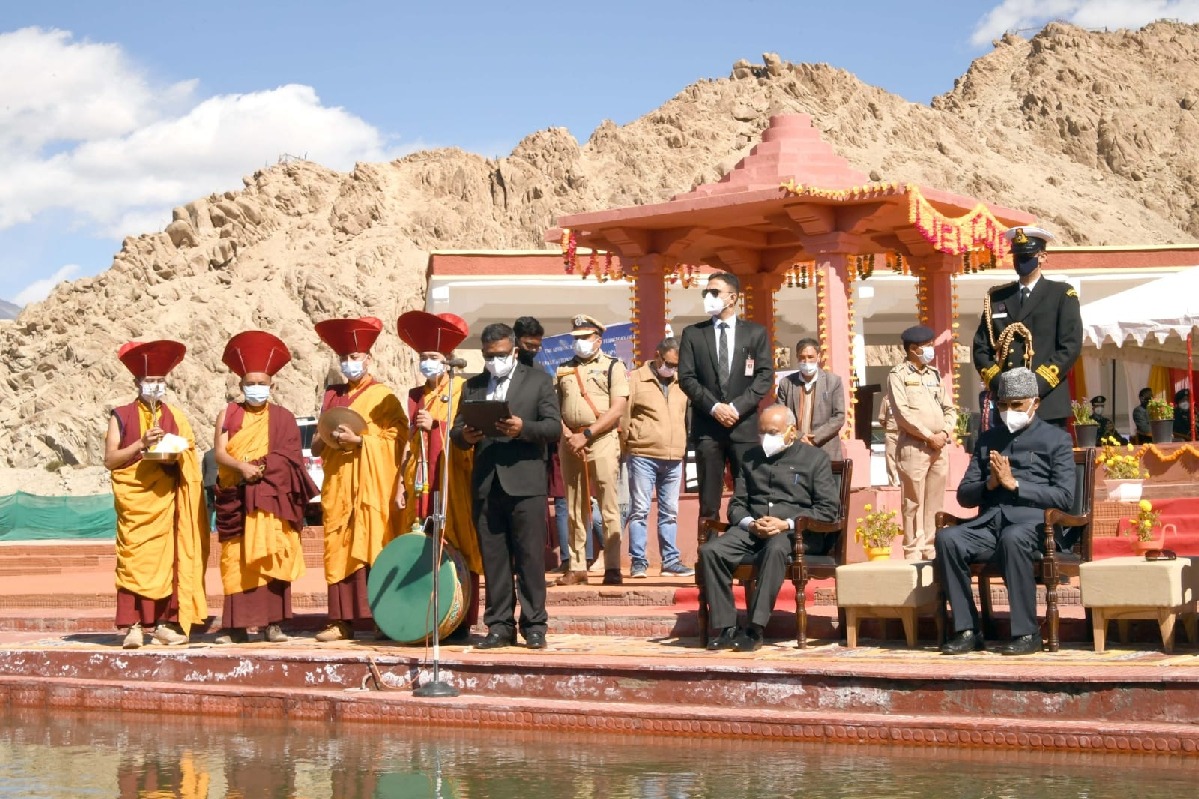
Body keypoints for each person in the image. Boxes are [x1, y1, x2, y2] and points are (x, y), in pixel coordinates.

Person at [935, 367, 1075, 657]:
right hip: (989, 524)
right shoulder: (988, 440)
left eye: (1016, 405)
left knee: (1013, 537)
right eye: (1003, 405)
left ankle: (1027, 633)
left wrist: (1016, 485)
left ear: (1035, 404)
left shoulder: (1056, 439)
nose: (1008, 411)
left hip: (1035, 525)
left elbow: (1064, 497)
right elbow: (964, 495)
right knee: (949, 539)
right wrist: (991, 483)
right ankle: (968, 630)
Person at [451, 322, 560, 649]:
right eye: (487, 356)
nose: (493, 361)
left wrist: (522, 428)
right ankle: (499, 626)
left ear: (513, 351)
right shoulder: (473, 386)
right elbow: (457, 432)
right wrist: (465, 437)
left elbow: (553, 428)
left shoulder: (539, 381)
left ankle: (534, 624)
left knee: (529, 558)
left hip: (526, 482)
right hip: (487, 483)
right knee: (494, 559)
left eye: (499, 355)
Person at [698, 405, 838, 652]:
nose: (766, 439)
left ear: (791, 432)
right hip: (754, 529)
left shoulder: (815, 459)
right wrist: (750, 523)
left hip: (797, 533)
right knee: (711, 551)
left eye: (773, 432)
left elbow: (828, 510)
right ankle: (727, 627)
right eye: (762, 433)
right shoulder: (751, 458)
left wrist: (787, 523)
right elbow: (736, 506)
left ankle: (754, 628)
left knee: (775, 548)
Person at [211, 331, 317, 644]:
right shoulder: (229, 414)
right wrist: (242, 467)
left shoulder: (283, 418)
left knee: (274, 554)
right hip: (239, 498)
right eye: (250, 383)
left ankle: (274, 625)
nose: (256, 388)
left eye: (262, 383)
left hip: (272, 498)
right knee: (238, 560)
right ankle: (236, 627)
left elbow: (291, 459)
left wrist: (262, 467)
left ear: (273, 386)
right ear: (240, 384)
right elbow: (219, 452)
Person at [103, 340, 208, 649]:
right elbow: (110, 459)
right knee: (134, 560)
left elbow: (189, 449)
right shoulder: (120, 415)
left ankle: (163, 623)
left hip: (166, 500)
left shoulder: (175, 416)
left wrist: (177, 451)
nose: (155, 386)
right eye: (150, 381)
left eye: (160, 381)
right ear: (137, 382)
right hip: (136, 503)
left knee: (170, 562)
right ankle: (133, 626)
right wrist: (141, 445)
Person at [312, 316, 407, 642]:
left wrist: (362, 442)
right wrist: (327, 435)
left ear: (369, 359)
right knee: (338, 548)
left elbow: (398, 438)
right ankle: (340, 622)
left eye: (355, 358)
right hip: (339, 484)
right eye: (344, 359)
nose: (349, 364)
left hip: (372, 488)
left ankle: (382, 619)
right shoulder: (332, 397)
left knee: (374, 546)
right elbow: (315, 444)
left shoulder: (383, 397)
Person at [395, 310, 483, 641]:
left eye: (432, 357)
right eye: (423, 357)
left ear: (447, 359)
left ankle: (460, 619)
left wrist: (437, 424)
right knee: (422, 543)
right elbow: (407, 441)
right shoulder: (416, 395)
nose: (427, 363)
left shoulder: (462, 387)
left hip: (453, 477)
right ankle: (424, 616)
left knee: (459, 541)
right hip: (420, 477)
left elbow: (466, 430)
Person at [678, 271, 774, 522]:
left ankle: (750, 549)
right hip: (708, 428)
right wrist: (714, 407)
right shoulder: (693, 334)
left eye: (714, 292)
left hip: (743, 427)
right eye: (706, 292)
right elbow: (687, 378)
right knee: (709, 499)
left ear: (732, 298)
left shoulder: (755, 333)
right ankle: (708, 552)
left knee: (751, 492)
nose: (708, 297)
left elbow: (764, 376)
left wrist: (736, 407)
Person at [973, 226, 1082, 426]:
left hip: (1046, 401)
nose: (1020, 261)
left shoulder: (1061, 295)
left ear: (1042, 257)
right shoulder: (997, 298)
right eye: (1017, 256)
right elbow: (981, 347)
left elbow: (1070, 346)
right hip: (1007, 404)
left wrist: (1033, 385)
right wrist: (1000, 384)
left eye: (1027, 256)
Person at [554, 314, 629, 586]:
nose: (579, 343)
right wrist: (567, 434)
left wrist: (587, 434)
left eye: (584, 338)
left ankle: (612, 567)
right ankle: (576, 565)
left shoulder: (613, 366)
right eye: (576, 339)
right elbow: (555, 406)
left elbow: (618, 407)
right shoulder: (563, 368)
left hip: (601, 437)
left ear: (598, 340)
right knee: (574, 505)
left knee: (608, 505)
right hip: (570, 440)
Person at [621, 337, 693, 579]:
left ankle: (670, 561)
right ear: (657, 355)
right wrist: (629, 443)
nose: (671, 369)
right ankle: (639, 562)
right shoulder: (636, 380)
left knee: (670, 511)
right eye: (669, 363)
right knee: (640, 510)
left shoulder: (681, 382)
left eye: (676, 365)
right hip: (643, 454)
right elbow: (625, 416)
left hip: (674, 456)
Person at [888, 325, 957, 560]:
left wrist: (945, 433)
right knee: (913, 500)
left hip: (940, 446)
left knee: (935, 499)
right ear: (913, 349)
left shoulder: (933, 374)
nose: (931, 350)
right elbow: (902, 413)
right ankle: (912, 549)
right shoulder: (898, 375)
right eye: (927, 346)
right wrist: (929, 436)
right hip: (915, 445)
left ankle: (930, 545)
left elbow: (949, 408)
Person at [775, 337, 846, 462]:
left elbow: (839, 416)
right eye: (802, 357)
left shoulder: (833, 382)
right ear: (797, 358)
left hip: (826, 450)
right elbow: (781, 417)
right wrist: (800, 436)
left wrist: (814, 438)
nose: (806, 361)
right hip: (794, 450)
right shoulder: (786, 384)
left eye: (810, 357)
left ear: (818, 357)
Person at [877, 393, 900, 486]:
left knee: (906, 458)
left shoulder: (906, 396)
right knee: (891, 459)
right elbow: (882, 418)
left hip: (905, 433)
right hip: (891, 433)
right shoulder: (886, 399)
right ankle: (893, 483)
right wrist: (889, 428)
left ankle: (905, 484)